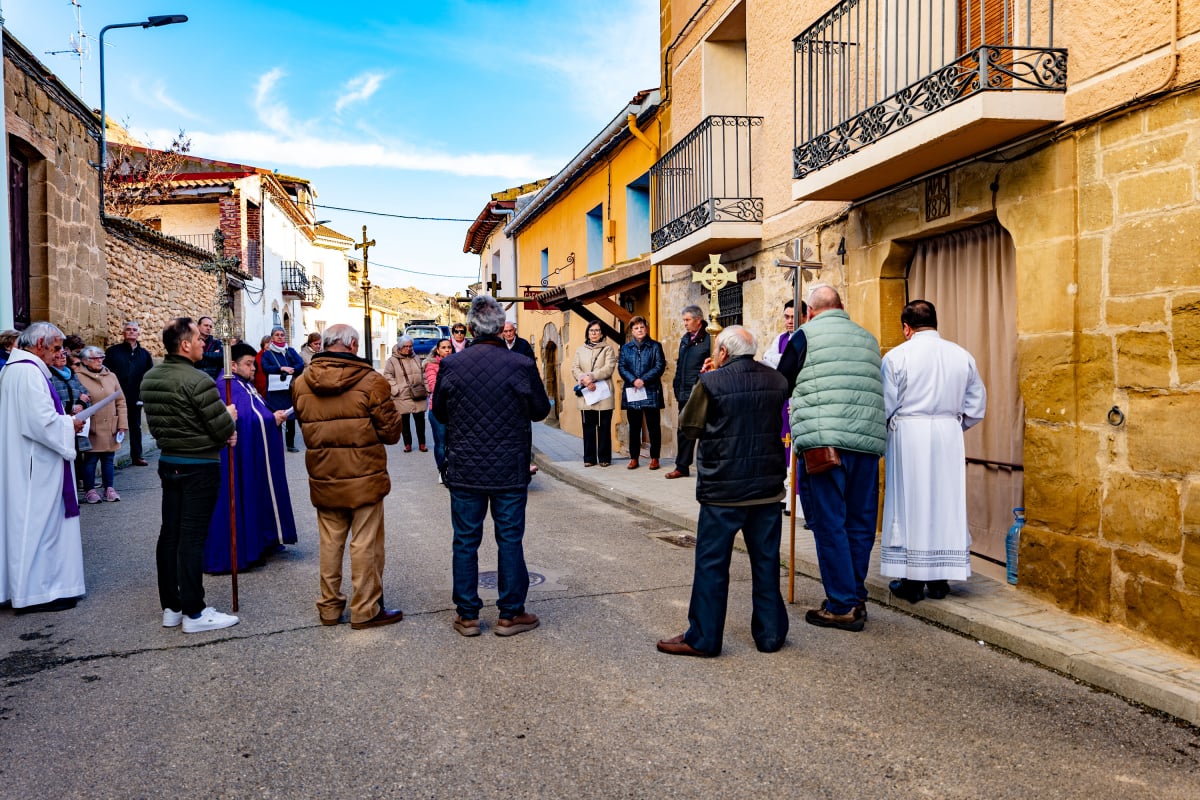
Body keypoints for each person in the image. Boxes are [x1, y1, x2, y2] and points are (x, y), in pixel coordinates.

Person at [657, 326, 790, 657]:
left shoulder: (712, 381)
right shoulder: (776, 380)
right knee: (766, 561)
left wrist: (704, 380)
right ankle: (770, 635)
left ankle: (703, 637)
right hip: (766, 489)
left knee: (712, 564)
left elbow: (689, 425)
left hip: (723, 488)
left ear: (723, 353)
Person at [432, 294, 550, 637]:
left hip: (466, 467)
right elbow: (541, 410)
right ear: (501, 328)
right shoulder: (520, 364)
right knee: (510, 539)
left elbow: (439, 412)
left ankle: (468, 615)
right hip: (509, 468)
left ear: (470, 327)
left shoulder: (453, 365)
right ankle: (511, 614)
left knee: (465, 540)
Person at [779, 285, 886, 632]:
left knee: (829, 523)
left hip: (823, 445)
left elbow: (783, 382)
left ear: (810, 311)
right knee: (859, 523)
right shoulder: (868, 338)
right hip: (866, 445)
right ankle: (853, 595)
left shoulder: (803, 335)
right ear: (842, 307)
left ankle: (842, 605)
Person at [293, 324, 404, 629]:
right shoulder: (371, 381)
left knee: (330, 542)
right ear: (353, 345)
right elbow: (392, 433)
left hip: (324, 473)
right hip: (364, 476)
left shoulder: (302, 382)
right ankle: (366, 609)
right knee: (365, 543)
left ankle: (329, 608)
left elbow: (303, 421)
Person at [880, 300, 987, 603]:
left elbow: (886, 405)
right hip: (948, 434)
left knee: (910, 502)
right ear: (935, 323)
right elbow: (976, 405)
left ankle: (913, 580)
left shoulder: (896, 357)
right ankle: (941, 579)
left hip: (909, 434)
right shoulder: (961, 355)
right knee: (945, 503)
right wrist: (952, 426)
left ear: (906, 328)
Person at [141, 317, 240, 634]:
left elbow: (158, 427)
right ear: (184, 344)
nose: (203, 343)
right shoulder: (198, 381)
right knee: (191, 539)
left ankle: (172, 606)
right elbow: (222, 428)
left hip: (169, 462)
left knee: (170, 535)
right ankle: (195, 612)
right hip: (199, 466)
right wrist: (229, 417)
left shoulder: (151, 377)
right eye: (198, 338)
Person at [0, 322, 86, 614]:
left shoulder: (16, 369)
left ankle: (43, 587)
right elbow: (40, 422)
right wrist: (69, 425)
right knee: (39, 527)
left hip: (29, 461)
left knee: (33, 526)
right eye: (56, 348)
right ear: (40, 345)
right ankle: (37, 592)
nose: (59, 354)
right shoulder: (27, 372)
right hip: (37, 465)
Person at [203, 342, 298, 574]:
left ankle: (265, 538)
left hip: (253, 452)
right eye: (248, 364)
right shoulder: (227, 385)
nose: (253, 369)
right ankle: (242, 550)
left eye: (254, 364)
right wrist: (270, 420)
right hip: (237, 457)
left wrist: (272, 415)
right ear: (233, 365)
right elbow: (243, 419)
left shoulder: (244, 385)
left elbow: (256, 411)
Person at [762, 299, 807, 517]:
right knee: (782, 449)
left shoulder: (807, 338)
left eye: (794, 317)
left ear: (805, 317)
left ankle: (797, 502)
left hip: (799, 399)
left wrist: (782, 361)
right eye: (786, 317)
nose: (790, 321)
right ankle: (783, 496)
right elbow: (768, 359)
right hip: (783, 400)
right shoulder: (779, 339)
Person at [75, 346, 128, 504]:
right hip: (91, 426)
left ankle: (109, 489)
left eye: (101, 357)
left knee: (108, 459)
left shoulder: (111, 376)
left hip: (110, 425)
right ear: (85, 361)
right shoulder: (78, 377)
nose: (99, 360)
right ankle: (90, 490)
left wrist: (122, 423)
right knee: (90, 459)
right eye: (95, 358)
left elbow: (121, 401)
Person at [665, 305, 709, 480]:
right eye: (684, 320)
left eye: (687, 320)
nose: (684, 323)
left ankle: (706, 468)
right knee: (684, 430)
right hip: (683, 392)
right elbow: (680, 365)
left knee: (705, 430)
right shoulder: (685, 339)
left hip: (700, 392)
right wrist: (677, 386)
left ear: (698, 320)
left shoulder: (709, 339)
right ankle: (682, 467)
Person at [618, 315, 666, 470]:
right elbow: (622, 367)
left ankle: (655, 458)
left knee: (653, 427)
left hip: (651, 390)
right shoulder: (626, 348)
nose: (639, 330)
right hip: (633, 391)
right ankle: (634, 458)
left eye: (642, 327)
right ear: (632, 331)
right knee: (634, 427)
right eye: (636, 328)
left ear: (646, 328)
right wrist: (633, 380)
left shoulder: (655, 346)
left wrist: (643, 379)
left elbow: (659, 366)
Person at [105, 320, 154, 466]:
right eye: (128, 329)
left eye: (134, 329)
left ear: (138, 334)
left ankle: (137, 456)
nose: (131, 331)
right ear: (123, 333)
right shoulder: (113, 352)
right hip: (116, 395)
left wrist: (143, 395)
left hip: (135, 397)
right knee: (112, 426)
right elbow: (106, 373)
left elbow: (149, 376)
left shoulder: (144, 354)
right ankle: (109, 458)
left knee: (135, 427)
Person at [571, 319, 617, 467]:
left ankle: (604, 458)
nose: (594, 333)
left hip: (603, 392)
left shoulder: (608, 349)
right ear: (588, 333)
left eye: (597, 330)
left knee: (604, 427)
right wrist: (584, 380)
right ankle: (589, 458)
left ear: (602, 333)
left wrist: (592, 377)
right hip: (586, 393)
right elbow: (575, 368)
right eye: (591, 330)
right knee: (588, 427)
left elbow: (609, 367)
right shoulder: (580, 349)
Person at [259, 326, 304, 452]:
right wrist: (281, 369)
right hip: (275, 390)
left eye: (282, 334)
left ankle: (290, 444)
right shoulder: (268, 354)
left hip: (289, 389)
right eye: (277, 335)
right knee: (275, 416)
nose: (280, 337)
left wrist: (292, 370)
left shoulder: (290, 351)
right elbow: (265, 367)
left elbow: (300, 363)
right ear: (272, 337)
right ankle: (274, 443)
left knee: (290, 417)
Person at [383, 336, 428, 453]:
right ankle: (407, 444)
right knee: (404, 422)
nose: (408, 349)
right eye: (405, 346)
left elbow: (423, 374)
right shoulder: (392, 361)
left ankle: (422, 444)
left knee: (420, 421)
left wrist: (426, 388)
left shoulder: (416, 358)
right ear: (400, 347)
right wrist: (396, 389)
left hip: (417, 393)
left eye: (410, 346)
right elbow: (388, 376)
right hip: (402, 395)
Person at [424, 337, 453, 482]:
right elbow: (433, 386)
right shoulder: (432, 366)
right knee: (441, 442)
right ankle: (442, 470)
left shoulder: (456, 364)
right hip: (437, 409)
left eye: (449, 347)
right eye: (444, 347)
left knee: (453, 442)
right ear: (438, 350)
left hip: (454, 410)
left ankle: (452, 468)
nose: (447, 350)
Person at [196, 316, 224, 382]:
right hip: (196, 377)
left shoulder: (216, 343)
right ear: (198, 326)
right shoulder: (193, 341)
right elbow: (194, 361)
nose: (208, 328)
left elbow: (221, 356)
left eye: (210, 326)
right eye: (206, 325)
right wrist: (213, 356)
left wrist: (200, 355)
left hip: (212, 378)